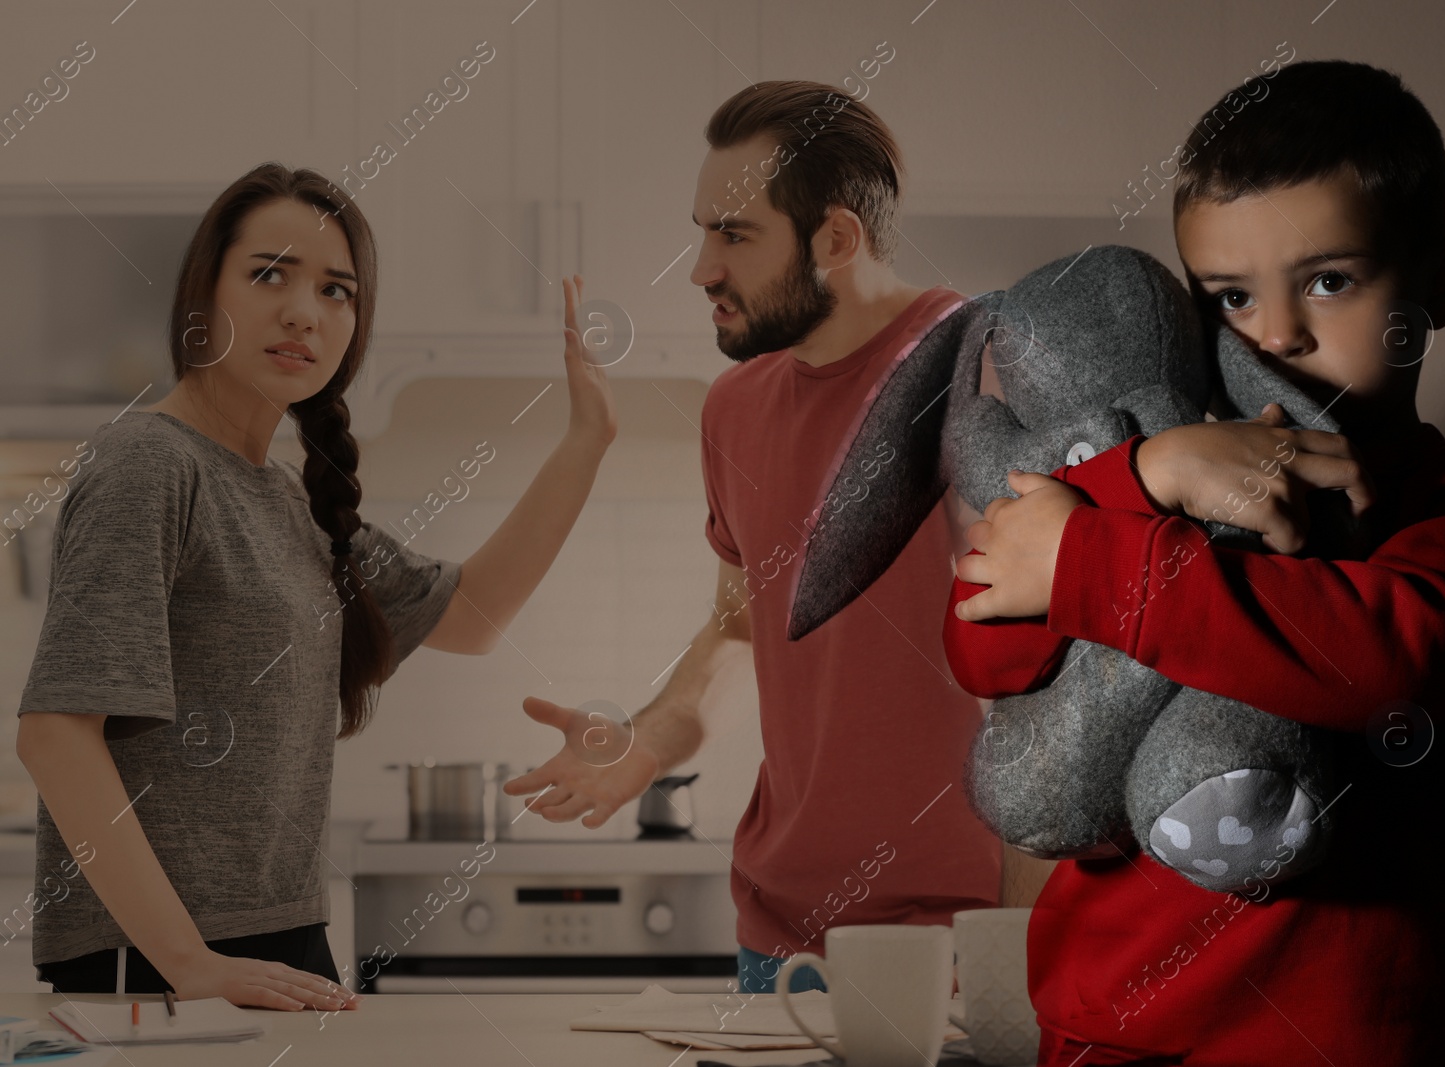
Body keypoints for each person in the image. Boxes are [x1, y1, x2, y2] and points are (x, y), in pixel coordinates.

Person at [945, 61, 1445, 1065]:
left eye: (1330, 280)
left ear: (1440, 279)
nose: (1277, 332)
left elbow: (1387, 655)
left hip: (1345, 1039)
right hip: (1100, 1023)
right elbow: (981, 649)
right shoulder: (1147, 479)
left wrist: (1093, 560)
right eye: (1230, 295)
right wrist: (1148, 471)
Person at [16, 162, 617, 1010]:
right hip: (154, 965)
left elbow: (476, 613)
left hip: (278, 939)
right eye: (269, 274)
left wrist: (587, 439)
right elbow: (54, 735)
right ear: (204, 293)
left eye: (337, 290)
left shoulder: (294, 499)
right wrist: (191, 962)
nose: (304, 310)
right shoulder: (148, 462)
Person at [503, 81, 1007, 995]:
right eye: (703, 232)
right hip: (779, 946)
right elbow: (742, 627)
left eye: (733, 235)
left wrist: (1029, 948)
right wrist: (646, 742)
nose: (700, 268)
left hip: (964, 947)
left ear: (837, 240)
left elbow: (1076, 675)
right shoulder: (734, 410)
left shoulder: (988, 373)